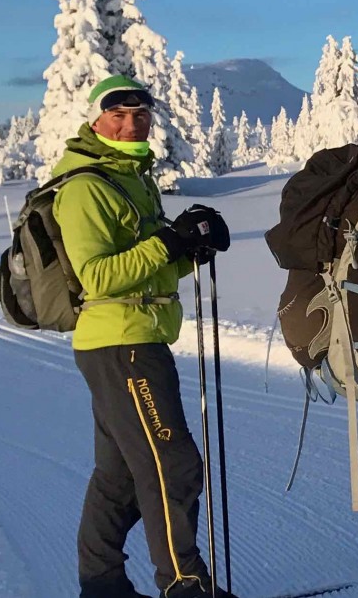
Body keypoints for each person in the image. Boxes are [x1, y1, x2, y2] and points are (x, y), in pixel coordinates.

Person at [59, 75, 235, 598]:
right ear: (95, 119)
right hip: (123, 344)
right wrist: (168, 242)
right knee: (172, 465)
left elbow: (147, 271)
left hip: (133, 339)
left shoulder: (132, 178)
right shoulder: (85, 187)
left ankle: (102, 583)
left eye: (140, 114)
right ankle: (183, 584)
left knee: (119, 477)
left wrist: (188, 248)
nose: (131, 123)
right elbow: (98, 277)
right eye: (118, 114)